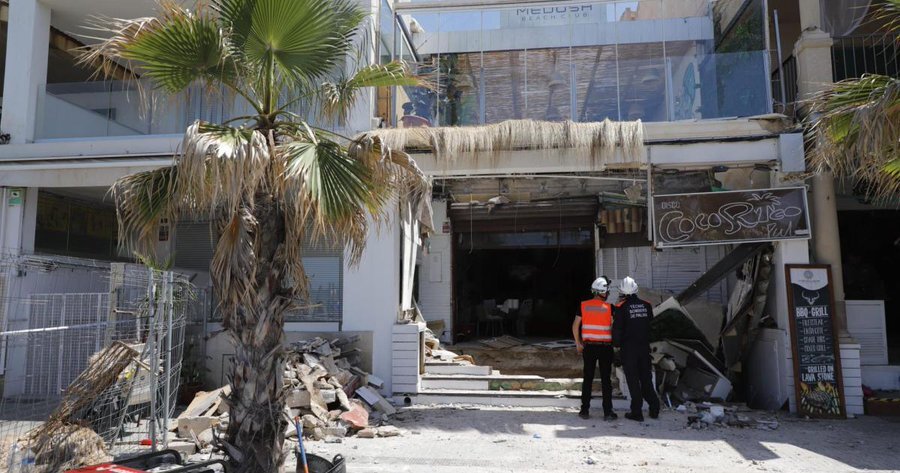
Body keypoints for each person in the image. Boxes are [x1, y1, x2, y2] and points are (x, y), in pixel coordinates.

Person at [612, 276, 660, 422]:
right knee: (646, 378)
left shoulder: (621, 308)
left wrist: (616, 347)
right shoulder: (646, 305)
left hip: (629, 350)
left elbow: (617, 331)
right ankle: (654, 408)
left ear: (622, 293)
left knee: (633, 380)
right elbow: (651, 327)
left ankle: (636, 412)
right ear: (635, 290)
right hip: (644, 348)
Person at [572, 276, 617, 421]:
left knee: (588, 378)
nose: (608, 293)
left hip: (589, 348)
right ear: (603, 292)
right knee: (606, 380)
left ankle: (584, 411)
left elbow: (575, 325)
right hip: (605, 348)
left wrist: (578, 343)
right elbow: (614, 327)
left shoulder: (583, 305)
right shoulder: (610, 308)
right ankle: (608, 413)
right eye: (607, 291)